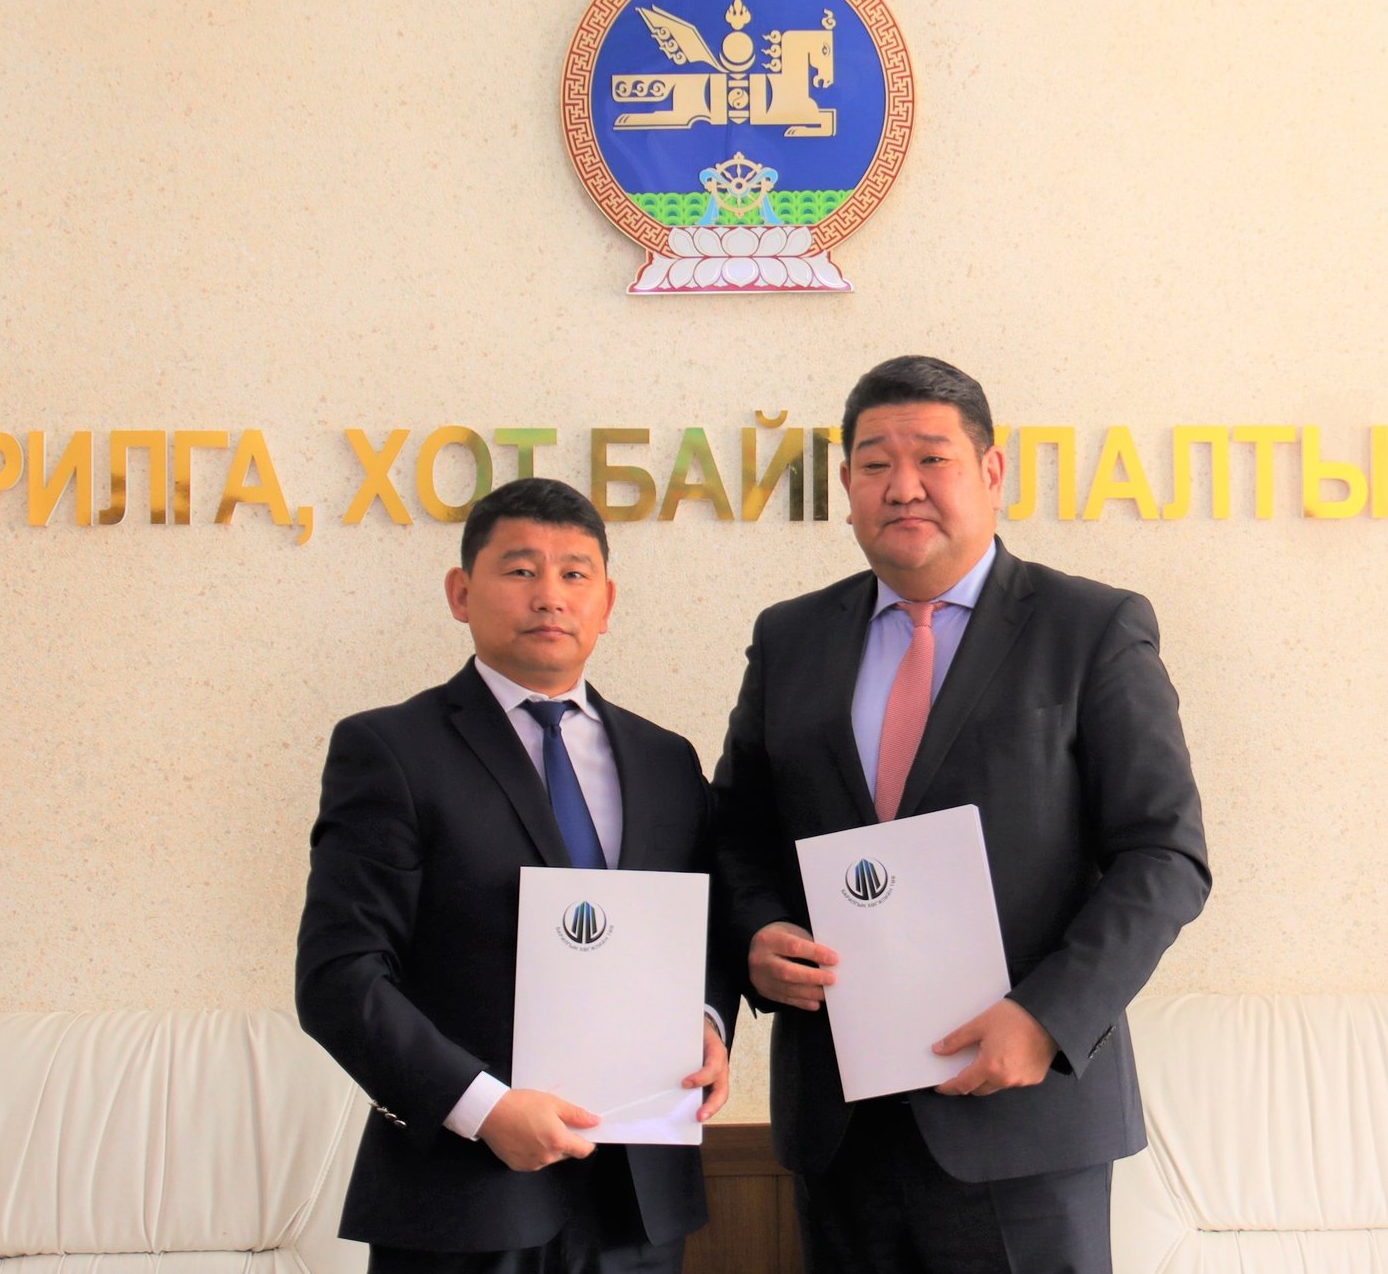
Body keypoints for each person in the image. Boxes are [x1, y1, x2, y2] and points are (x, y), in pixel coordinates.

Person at [712, 356, 1211, 1274]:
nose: (902, 486)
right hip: (840, 1122)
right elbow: (736, 829)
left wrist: (1047, 1015)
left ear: (991, 471)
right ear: (847, 485)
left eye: (931, 458)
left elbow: (1164, 855)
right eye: (874, 463)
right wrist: (755, 932)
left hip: (1022, 1118)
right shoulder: (790, 637)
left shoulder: (1090, 628)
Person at [297, 476, 736, 1274]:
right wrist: (484, 1108)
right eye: (521, 569)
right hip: (464, 1196)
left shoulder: (666, 760)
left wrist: (707, 1017)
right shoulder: (391, 750)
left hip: (636, 1203)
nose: (550, 595)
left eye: (575, 573)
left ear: (607, 602)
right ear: (461, 593)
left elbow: (704, 924)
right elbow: (340, 976)